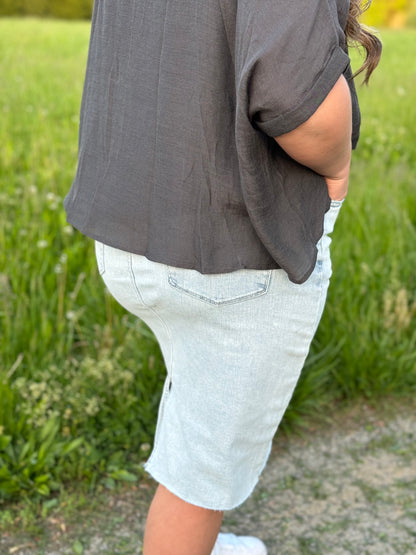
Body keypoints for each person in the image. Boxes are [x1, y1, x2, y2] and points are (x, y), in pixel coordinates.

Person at [64, 1, 381, 553]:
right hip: (237, 248)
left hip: (129, 228)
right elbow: (292, 96)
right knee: (199, 477)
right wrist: (336, 166)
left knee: (196, 406)